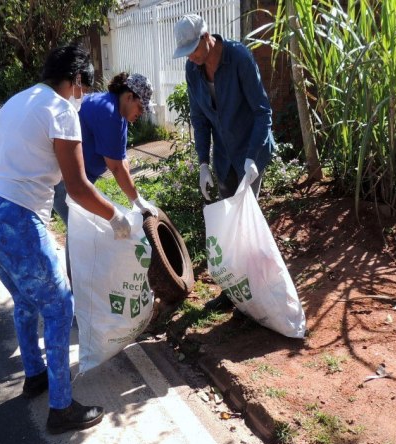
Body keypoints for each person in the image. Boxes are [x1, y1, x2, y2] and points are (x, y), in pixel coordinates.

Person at [0, 45, 131, 434]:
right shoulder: (60, 111)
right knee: (60, 307)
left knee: (25, 300)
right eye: (85, 86)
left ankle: (35, 374)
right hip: (16, 220)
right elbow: (77, 187)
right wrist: (116, 215)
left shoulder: (15, 101)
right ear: (75, 80)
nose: (85, 95)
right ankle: (61, 408)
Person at [173, 13, 275, 311]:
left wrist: (254, 158)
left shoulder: (238, 57)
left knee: (245, 223)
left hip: (250, 153)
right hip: (224, 158)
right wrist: (203, 163)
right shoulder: (193, 70)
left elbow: (262, 111)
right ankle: (233, 292)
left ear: (207, 38)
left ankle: (256, 293)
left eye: (193, 50)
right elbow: (199, 119)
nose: (191, 58)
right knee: (228, 229)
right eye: (186, 53)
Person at [52, 72, 158, 227]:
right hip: (66, 182)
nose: (141, 114)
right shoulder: (108, 113)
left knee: (83, 234)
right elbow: (115, 167)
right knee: (83, 232)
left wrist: (134, 198)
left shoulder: (119, 113)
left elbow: (122, 160)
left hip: (78, 182)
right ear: (129, 97)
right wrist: (137, 200)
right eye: (141, 107)